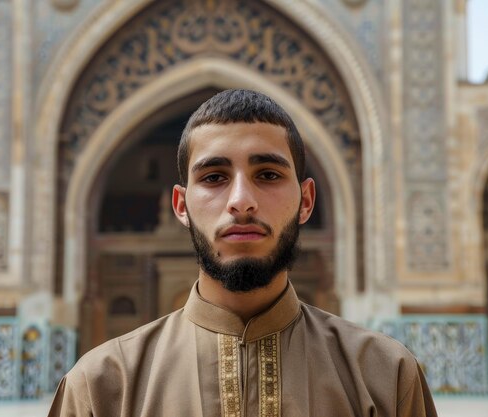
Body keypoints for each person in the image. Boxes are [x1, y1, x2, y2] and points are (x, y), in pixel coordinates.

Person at [48, 89, 437, 417]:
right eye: (214, 177)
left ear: (306, 200)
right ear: (181, 206)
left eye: (267, 175)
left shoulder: (385, 376)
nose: (241, 201)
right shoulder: (102, 387)